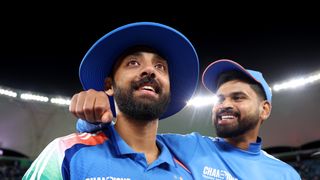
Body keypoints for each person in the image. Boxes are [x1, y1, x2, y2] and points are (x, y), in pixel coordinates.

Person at [23, 22, 199, 179]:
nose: (150, 70)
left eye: (160, 66)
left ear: (169, 88)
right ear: (109, 85)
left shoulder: (188, 171)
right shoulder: (65, 153)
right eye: (133, 63)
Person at [73, 59, 301, 179]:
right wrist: (92, 118)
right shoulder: (191, 147)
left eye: (238, 97)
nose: (225, 105)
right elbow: (130, 134)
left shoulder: (285, 174)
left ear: (265, 110)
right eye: (220, 98)